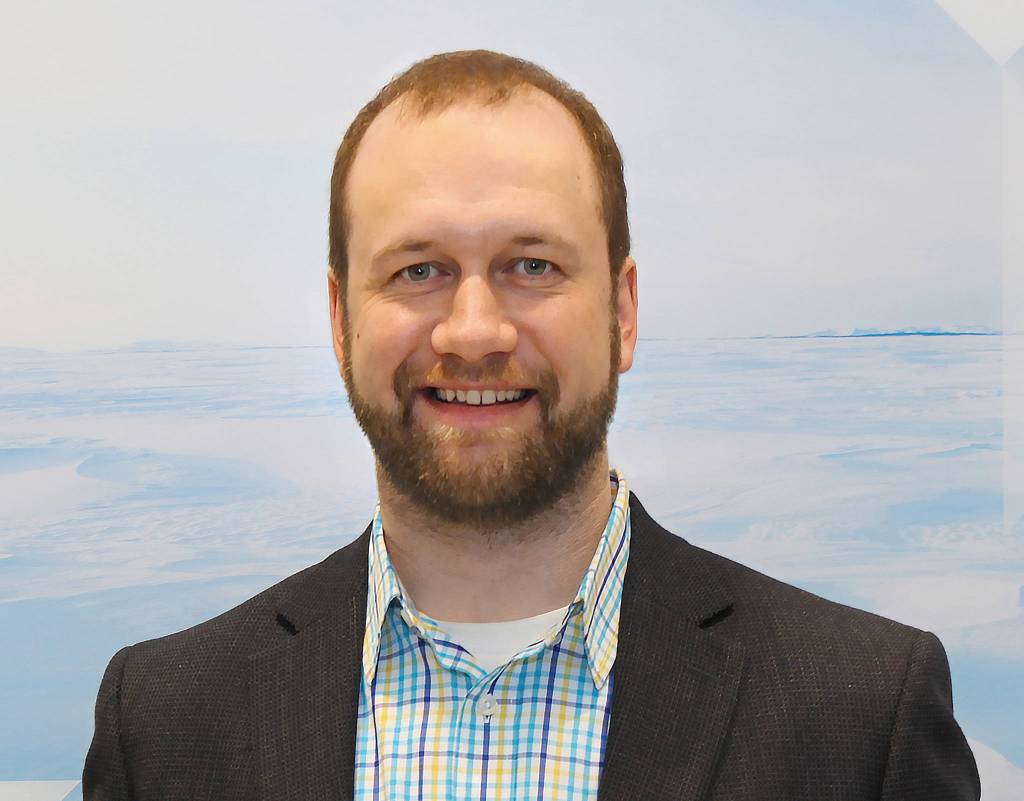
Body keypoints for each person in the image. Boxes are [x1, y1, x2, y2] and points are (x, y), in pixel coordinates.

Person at [83, 49, 981, 801]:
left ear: (623, 312)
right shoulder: (162, 727)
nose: (474, 331)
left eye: (532, 264)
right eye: (419, 270)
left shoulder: (861, 721)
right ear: (339, 319)